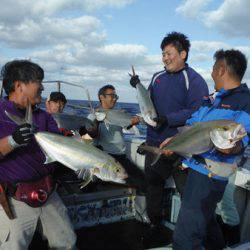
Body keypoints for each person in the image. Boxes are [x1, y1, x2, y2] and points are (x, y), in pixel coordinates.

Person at [160, 49, 250, 250]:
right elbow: (191, 125)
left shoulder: (246, 103)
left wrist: (232, 147)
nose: (210, 73)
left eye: (212, 68)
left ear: (221, 69)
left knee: (185, 238)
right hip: (195, 168)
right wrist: (173, 141)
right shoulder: (212, 100)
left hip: (208, 177)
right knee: (207, 223)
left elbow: (240, 142)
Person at [130, 31, 209, 237]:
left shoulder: (194, 80)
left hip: (182, 147)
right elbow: (147, 103)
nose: (164, 58)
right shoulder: (157, 77)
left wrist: (168, 119)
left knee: (187, 193)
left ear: (183, 54)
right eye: (163, 54)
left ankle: (188, 232)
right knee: (153, 186)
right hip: (155, 143)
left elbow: (197, 111)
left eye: (168, 53)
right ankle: (154, 225)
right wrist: (137, 86)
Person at [0, 60, 76, 249]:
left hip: (48, 193)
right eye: (38, 81)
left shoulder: (44, 117)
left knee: (67, 243)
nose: (42, 86)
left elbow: (60, 146)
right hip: (14, 199)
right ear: (19, 85)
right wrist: (12, 141)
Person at [80, 84, 145, 191]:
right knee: (86, 187)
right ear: (101, 97)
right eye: (112, 96)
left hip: (120, 157)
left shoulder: (118, 113)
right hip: (103, 157)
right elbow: (89, 136)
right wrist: (97, 121)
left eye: (116, 96)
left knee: (142, 181)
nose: (115, 99)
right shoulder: (93, 115)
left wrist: (133, 122)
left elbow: (126, 124)